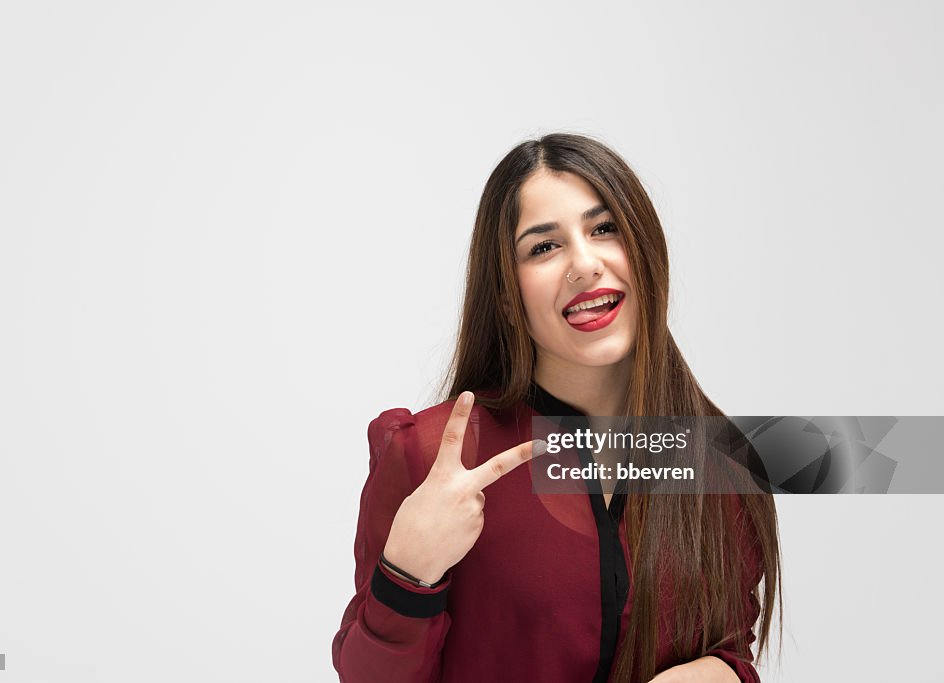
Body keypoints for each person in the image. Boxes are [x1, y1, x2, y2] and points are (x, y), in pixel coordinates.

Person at [332, 133, 781, 682]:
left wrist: (718, 673)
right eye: (544, 247)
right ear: (505, 292)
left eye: (604, 229)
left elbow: (731, 642)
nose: (584, 264)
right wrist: (408, 573)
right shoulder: (434, 457)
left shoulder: (720, 461)